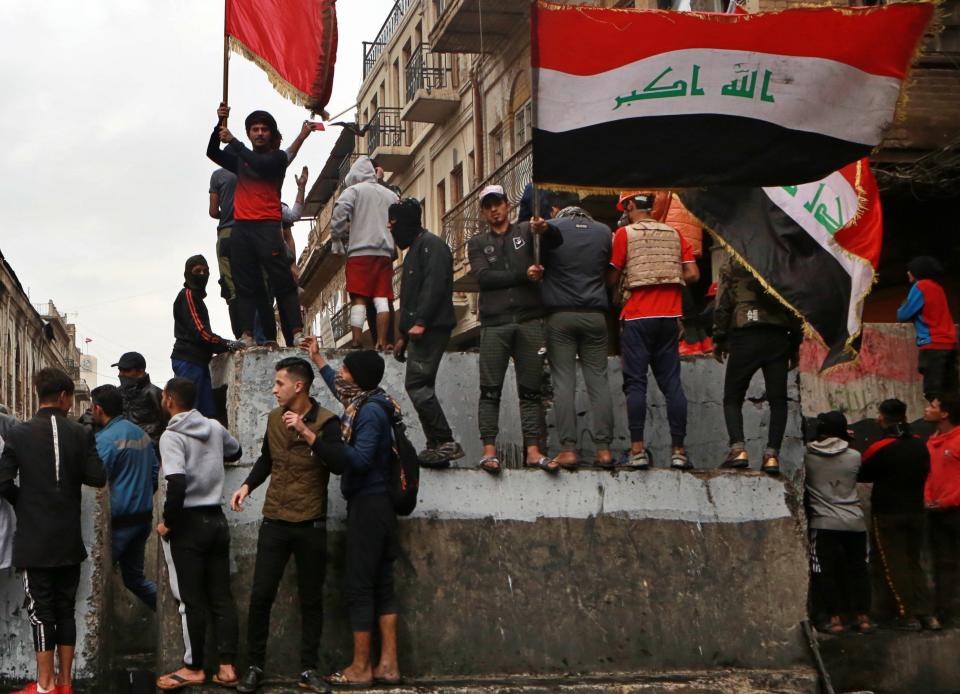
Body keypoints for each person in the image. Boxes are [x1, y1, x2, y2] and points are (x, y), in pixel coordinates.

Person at [230, 357, 345, 693]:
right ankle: (254, 666)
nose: (274, 389)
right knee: (261, 595)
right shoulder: (273, 419)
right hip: (275, 521)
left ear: (299, 386)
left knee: (311, 600)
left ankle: (309, 670)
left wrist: (308, 433)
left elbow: (339, 464)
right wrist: (246, 486)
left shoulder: (327, 422)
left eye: (279, 383)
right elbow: (268, 458)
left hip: (310, 523)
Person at [0, 368, 106, 694]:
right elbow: (97, 477)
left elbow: (3, 482)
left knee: (41, 612)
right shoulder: (80, 433)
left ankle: (44, 685)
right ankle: (65, 683)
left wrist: (25, 503)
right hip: (68, 537)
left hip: (34, 539)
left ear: (39, 394)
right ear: (63, 396)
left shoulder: (18, 434)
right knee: (65, 610)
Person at [306, 346, 401, 688]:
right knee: (382, 585)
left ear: (357, 378)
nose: (341, 376)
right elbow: (338, 387)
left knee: (360, 586)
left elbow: (359, 460)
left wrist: (320, 440)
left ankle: (362, 667)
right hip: (378, 506)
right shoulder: (368, 399)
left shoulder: (370, 412)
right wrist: (318, 359)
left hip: (369, 505)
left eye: (345, 371)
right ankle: (388, 665)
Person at [467, 184, 563, 474]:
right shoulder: (477, 242)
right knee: (490, 389)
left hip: (529, 319)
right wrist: (524, 276)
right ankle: (489, 451)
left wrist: (546, 228)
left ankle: (533, 451)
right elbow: (484, 277)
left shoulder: (526, 231)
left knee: (531, 389)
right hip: (495, 323)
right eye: (488, 205)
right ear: (483, 212)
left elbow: (556, 242)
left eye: (498, 203)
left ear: (507, 205)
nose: (494, 209)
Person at [155, 378, 242, 690]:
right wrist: (210, 459)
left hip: (189, 523)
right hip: (216, 520)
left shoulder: (171, 436)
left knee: (192, 600)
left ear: (168, 400)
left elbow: (176, 484)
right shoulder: (214, 428)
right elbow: (237, 451)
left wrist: (168, 523)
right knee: (221, 597)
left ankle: (194, 667)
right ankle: (228, 667)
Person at [207, 103, 313, 347]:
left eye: (264, 129)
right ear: (249, 133)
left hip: (267, 227)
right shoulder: (240, 160)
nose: (259, 133)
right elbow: (212, 153)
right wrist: (219, 125)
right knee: (244, 285)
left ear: (271, 134)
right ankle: (247, 335)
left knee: (282, 282)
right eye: (254, 129)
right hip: (242, 229)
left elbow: (259, 164)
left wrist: (233, 141)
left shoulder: (275, 159)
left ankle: (295, 332)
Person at [607, 192, 699, 470]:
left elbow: (612, 275)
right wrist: (667, 277)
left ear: (632, 206)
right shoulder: (675, 233)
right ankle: (679, 451)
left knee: (636, 383)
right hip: (669, 317)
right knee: (672, 384)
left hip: (637, 316)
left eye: (625, 207)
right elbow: (693, 273)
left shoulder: (625, 234)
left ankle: (637, 450)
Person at [532, 190, 615, 469]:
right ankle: (604, 449)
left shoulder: (551, 228)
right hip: (595, 315)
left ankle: (568, 449)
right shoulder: (604, 231)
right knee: (598, 381)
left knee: (564, 382)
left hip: (560, 315)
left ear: (555, 208)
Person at [389, 197, 463, 468]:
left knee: (418, 384)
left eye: (394, 222)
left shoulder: (432, 246)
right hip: (419, 330)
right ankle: (437, 445)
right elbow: (411, 298)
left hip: (430, 328)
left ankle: (443, 441)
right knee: (420, 384)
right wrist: (403, 335)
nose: (390, 227)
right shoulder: (416, 250)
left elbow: (434, 287)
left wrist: (420, 322)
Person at [712, 255, 803, 474]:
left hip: (746, 334)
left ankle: (738, 450)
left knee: (732, 397)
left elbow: (723, 302)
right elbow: (796, 303)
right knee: (778, 400)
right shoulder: (782, 260)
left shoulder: (733, 262)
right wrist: (795, 343)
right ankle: (772, 456)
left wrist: (719, 336)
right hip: (778, 335)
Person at [858, 399, 939, 630]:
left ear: (882, 417)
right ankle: (927, 614)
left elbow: (863, 473)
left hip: (887, 513)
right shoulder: (920, 445)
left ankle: (907, 614)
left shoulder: (880, 447)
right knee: (914, 562)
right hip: (915, 511)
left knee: (894, 564)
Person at [804, 411, 875, 635]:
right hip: (854, 522)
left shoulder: (807, 455)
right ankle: (863, 617)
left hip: (823, 522)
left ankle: (833, 618)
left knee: (823, 571)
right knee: (859, 569)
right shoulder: (854, 455)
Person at [91, 385, 159, 611]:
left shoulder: (105, 439)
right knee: (135, 580)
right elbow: (154, 475)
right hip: (143, 519)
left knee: (95, 580)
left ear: (98, 409)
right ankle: (177, 611)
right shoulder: (142, 434)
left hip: (120, 523)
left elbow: (97, 479)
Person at [330, 156, 400, 351]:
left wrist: (337, 234)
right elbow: (398, 218)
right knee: (382, 298)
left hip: (360, 254)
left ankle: (356, 340)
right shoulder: (390, 196)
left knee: (359, 299)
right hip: (384, 254)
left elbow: (339, 211)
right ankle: (383, 341)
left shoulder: (353, 191)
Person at [171, 255, 241, 418]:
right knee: (191, 414)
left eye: (205, 271)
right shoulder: (188, 295)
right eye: (197, 271)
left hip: (199, 362)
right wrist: (226, 344)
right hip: (189, 360)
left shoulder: (195, 298)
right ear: (188, 274)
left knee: (207, 415)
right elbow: (200, 331)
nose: (202, 275)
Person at [897, 256, 959, 401]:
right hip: (949, 344)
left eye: (910, 270)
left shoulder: (921, 286)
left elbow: (903, 314)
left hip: (933, 345)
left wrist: (903, 305)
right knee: (951, 394)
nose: (907, 273)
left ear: (917, 272)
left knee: (934, 394)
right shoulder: (938, 287)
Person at [924, 392, 960, 625]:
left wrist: (947, 501)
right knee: (942, 563)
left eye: (933, 406)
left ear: (945, 413)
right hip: (935, 512)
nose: (927, 409)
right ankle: (946, 612)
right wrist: (928, 500)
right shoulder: (930, 442)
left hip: (955, 509)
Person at [112, 351, 166, 452]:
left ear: (140, 371)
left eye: (126, 370)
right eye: (120, 370)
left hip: (150, 455)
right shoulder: (115, 394)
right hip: (120, 454)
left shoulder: (157, 394)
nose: (121, 374)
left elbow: (168, 426)